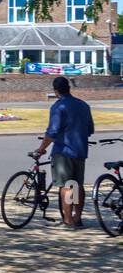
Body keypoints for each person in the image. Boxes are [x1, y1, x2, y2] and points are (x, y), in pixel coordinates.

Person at [32, 75, 95, 228]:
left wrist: (41, 149)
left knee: (66, 185)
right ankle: (77, 217)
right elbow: (90, 130)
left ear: (56, 91)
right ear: (69, 88)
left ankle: (68, 220)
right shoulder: (83, 105)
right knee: (77, 185)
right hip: (80, 151)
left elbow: (52, 132)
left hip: (63, 151)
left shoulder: (58, 106)